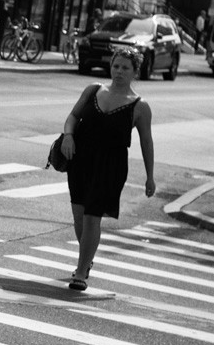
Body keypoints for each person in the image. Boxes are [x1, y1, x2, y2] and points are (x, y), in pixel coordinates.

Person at [58, 46, 156, 289]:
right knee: (79, 217)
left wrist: (150, 176)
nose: (119, 71)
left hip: (110, 167)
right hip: (81, 159)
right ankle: (87, 258)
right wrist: (68, 136)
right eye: (116, 66)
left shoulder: (140, 106)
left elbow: (146, 142)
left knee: (92, 217)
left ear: (135, 72)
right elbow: (73, 117)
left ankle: (81, 272)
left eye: (125, 68)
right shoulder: (93, 90)